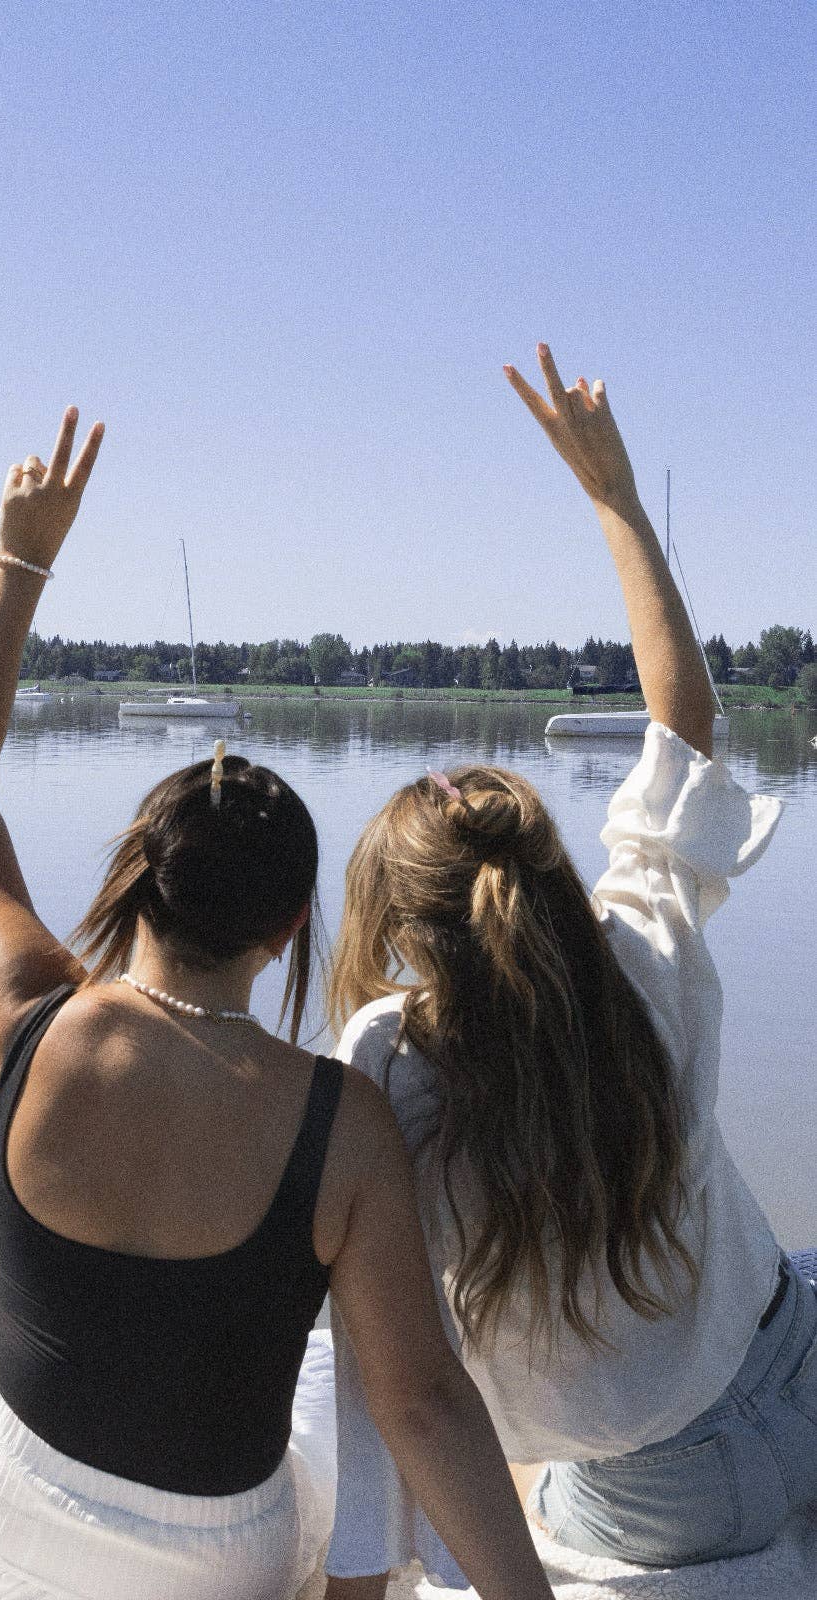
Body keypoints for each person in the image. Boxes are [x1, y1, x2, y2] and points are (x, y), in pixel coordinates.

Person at [0, 407, 556, 1600]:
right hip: (209, 1562)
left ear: (138, 877)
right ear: (288, 928)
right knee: (319, 1421)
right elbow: (417, 1401)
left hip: (10, 1523)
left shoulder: (23, 1013)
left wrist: (20, 557)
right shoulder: (344, 1122)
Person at [324, 346, 816, 1597]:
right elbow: (682, 724)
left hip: (656, 1502)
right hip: (798, 1381)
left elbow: (402, 1391)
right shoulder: (639, 957)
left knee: (549, 1463)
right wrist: (614, 496)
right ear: (545, 871)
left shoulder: (384, 1063)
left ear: (389, 920)